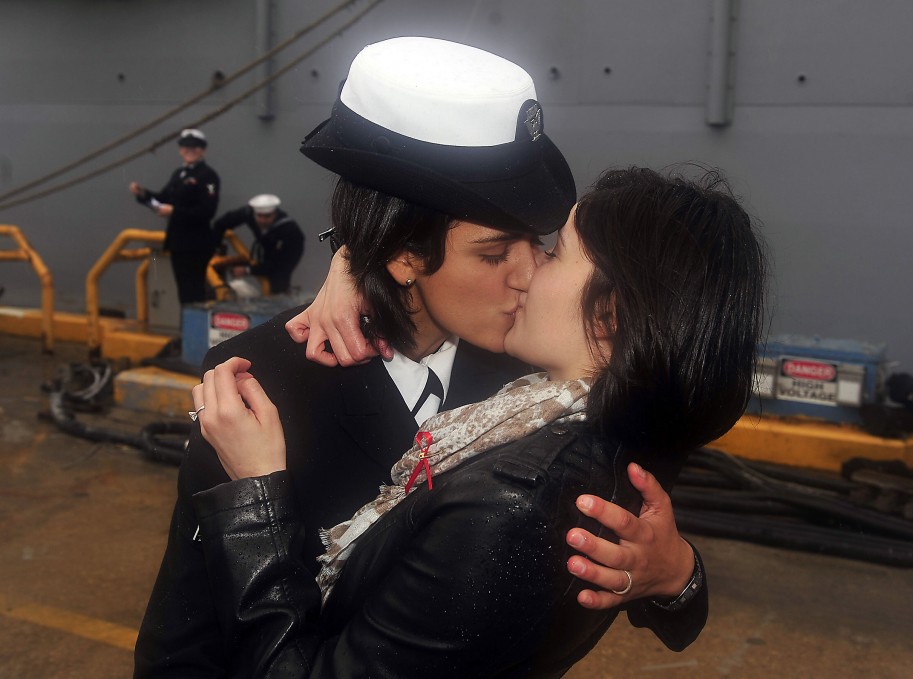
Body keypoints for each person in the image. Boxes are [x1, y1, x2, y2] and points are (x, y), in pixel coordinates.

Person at [133, 38, 703, 677]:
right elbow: (184, 639)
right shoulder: (262, 387)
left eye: (537, 246)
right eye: (493, 255)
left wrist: (677, 575)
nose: (527, 277)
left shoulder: (537, 380)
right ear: (405, 255)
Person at [191, 164, 767, 677]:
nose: (525, 272)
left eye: (552, 250)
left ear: (611, 314)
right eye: (498, 254)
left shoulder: (511, 496)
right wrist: (356, 255)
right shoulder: (587, 413)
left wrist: (254, 498)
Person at [129, 128, 221, 304]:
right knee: (184, 291)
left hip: (195, 243)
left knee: (193, 291)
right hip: (179, 242)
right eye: (186, 147)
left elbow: (207, 211)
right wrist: (143, 194)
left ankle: (192, 329)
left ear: (203, 150)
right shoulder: (180, 174)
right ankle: (187, 329)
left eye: (195, 147)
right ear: (180, 150)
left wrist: (174, 212)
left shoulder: (207, 176)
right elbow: (163, 198)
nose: (190, 151)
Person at [212, 193, 305, 295]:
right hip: (267, 245)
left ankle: (280, 295)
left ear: (275, 213)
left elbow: (277, 266)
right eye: (259, 216)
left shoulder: (290, 231)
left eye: (267, 216)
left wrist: (247, 270)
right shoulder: (249, 213)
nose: (262, 220)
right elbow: (221, 224)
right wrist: (215, 249)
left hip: (288, 251)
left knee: (279, 278)